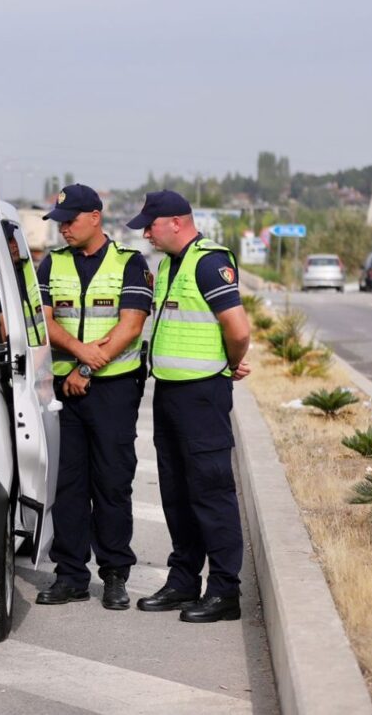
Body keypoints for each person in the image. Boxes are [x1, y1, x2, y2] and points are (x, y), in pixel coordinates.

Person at [126, 190, 252, 624]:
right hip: (171, 394)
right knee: (177, 493)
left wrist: (230, 364)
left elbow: (237, 327)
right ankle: (183, 581)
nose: (146, 233)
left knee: (211, 492)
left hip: (203, 395)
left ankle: (224, 591)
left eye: (151, 225)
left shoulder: (208, 261)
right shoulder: (167, 265)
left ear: (176, 222)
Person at [33, 184, 152, 609]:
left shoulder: (129, 264)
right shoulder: (52, 265)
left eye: (71, 220)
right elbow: (43, 323)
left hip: (113, 389)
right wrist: (80, 356)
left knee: (112, 482)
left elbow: (131, 325)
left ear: (95, 217)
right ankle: (70, 575)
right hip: (65, 389)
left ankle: (115, 574)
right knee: (68, 485)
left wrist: (86, 366)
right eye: (60, 221)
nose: (63, 228)